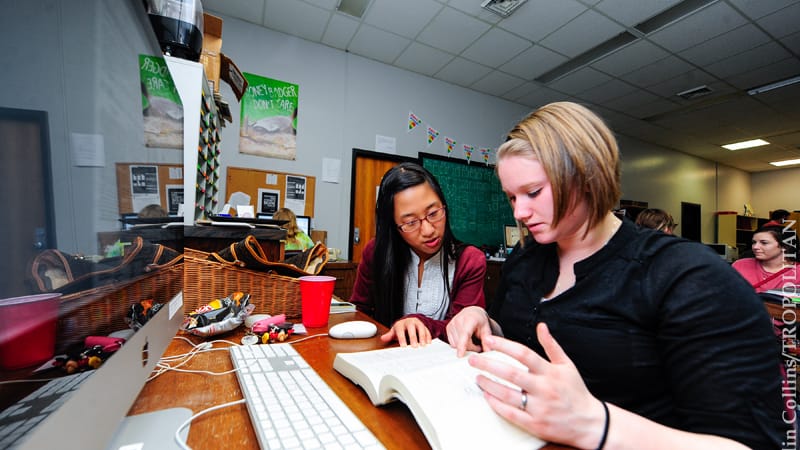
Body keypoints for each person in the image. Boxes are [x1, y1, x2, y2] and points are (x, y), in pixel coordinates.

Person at [445, 102, 786, 449]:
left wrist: (596, 423)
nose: (520, 211)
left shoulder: (688, 276)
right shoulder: (525, 257)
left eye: (533, 192)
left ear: (586, 175)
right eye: (511, 196)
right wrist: (483, 320)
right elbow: (520, 334)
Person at [350, 162, 486, 347]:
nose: (428, 230)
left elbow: (466, 330)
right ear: (394, 226)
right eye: (411, 222)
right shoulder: (376, 253)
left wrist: (422, 323)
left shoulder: (469, 260)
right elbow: (360, 312)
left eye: (433, 213)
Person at [733, 221, 799, 293]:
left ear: (784, 246)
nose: (755, 247)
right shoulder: (740, 265)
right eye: (754, 242)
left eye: (764, 243)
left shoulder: (797, 273)